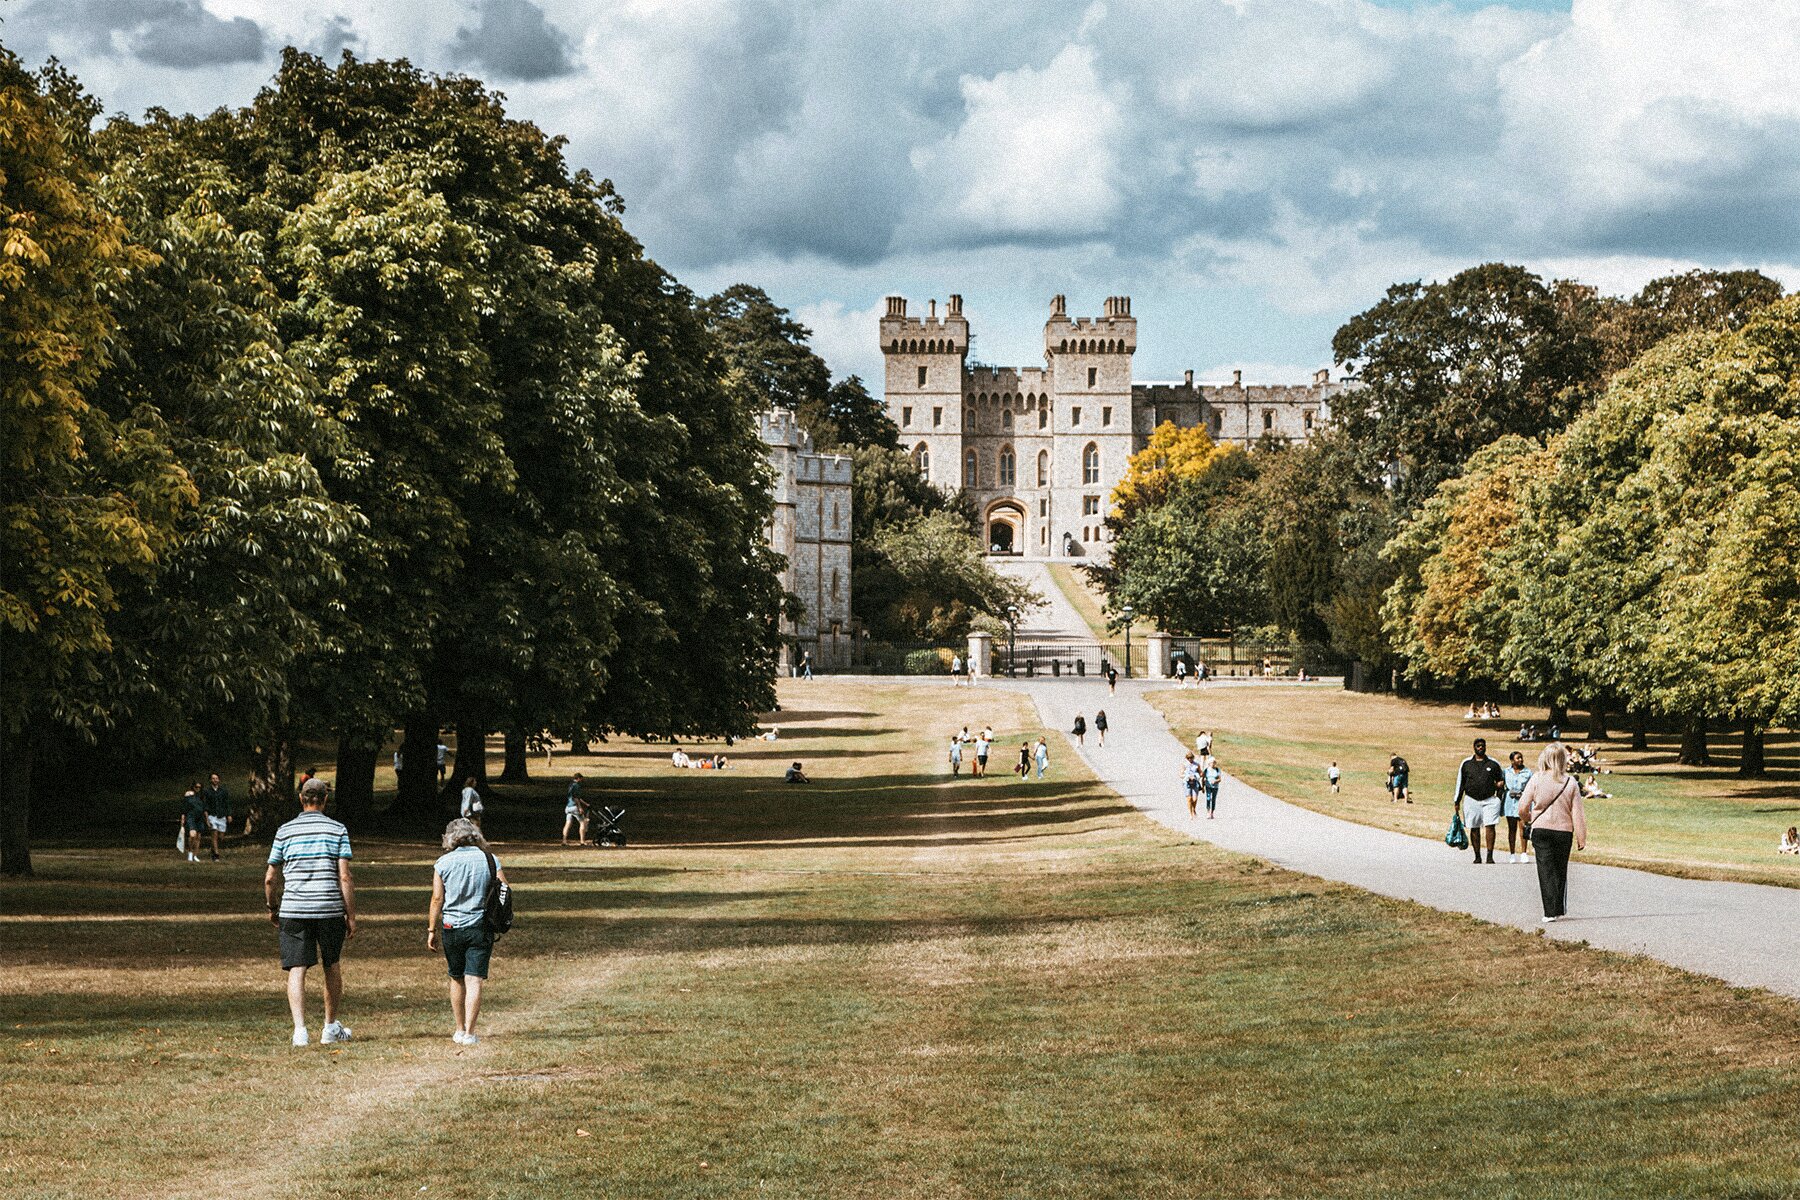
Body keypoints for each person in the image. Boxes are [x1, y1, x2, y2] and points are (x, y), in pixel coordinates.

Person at [265, 778, 355, 1047]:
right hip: (329, 908)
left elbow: (270, 877)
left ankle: (300, 1031)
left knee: (297, 968)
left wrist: (272, 907)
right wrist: (351, 915)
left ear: (301, 799)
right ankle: (329, 1027)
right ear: (325, 799)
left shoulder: (284, 831)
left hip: (294, 908)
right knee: (331, 964)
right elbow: (345, 877)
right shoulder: (338, 829)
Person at [427, 817, 508, 1045]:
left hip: (452, 926)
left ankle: (459, 1028)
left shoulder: (443, 863)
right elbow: (505, 889)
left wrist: (431, 929)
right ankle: (471, 1033)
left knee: (456, 977)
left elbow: (437, 898)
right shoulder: (490, 859)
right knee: (475, 980)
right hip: (480, 926)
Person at [1519, 743, 1586, 922]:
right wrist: (1581, 836)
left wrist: (1528, 819)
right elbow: (1577, 812)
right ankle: (1557, 907)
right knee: (1559, 869)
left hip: (1541, 828)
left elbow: (1522, 807)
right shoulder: (1570, 782)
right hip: (1564, 831)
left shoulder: (1536, 779)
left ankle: (1549, 912)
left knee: (1545, 869)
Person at [1453, 737, 1507, 864]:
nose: (1480, 747)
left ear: (1485, 747)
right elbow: (1460, 783)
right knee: (1474, 826)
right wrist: (1457, 801)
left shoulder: (1493, 764)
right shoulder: (1466, 764)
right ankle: (1477, 855)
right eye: (1478, 745)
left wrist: (1498, 798)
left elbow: (1501, 782)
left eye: (1482, 745)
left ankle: (1489, 855)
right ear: (1474, 747)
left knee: (1490, 826)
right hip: (1472, 799)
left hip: (1490, 800)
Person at [1503, 751, 1534, 863]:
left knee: (1523, 827)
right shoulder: (1506, 771)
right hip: (1510, 802)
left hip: (1522, 801)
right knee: (1512, 828)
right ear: (1512, 761)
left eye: (1521, 758)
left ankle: (1524, 853)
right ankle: (1512, 853)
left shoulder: (1528, 772)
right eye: (1517, 758)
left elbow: (1532, 787)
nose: (1520, 760)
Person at [201, 773, 231, 861]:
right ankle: (216, 855)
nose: (215, 780)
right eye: (213, 778)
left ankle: (213, 849)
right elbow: (205, 805)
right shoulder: (207, 791)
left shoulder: (223, 791)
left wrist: (229, 814)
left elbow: (227, 803)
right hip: (212, 815)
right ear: (210, 780)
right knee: (214, 834)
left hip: (221, 815)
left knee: (220, 837)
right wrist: (206, 818)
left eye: (216, 778)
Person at [180, 781, 206, 863]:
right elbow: (184, 807)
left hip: (200, 817)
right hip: (191, 816)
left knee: (198, 837)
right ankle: (190, 853)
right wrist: (183, 818)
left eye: (199, 787)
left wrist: (206, 819)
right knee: (192, 835)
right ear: (193, 787)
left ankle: (195, 855)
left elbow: (204, 808)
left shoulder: (201, 797)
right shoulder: (189, 796)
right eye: (196, 787)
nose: (198, 789)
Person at [562, 774, 588, 846]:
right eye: (581, 779)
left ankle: (564, 841)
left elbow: (575, 797)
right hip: (574, 807)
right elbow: (576, 798)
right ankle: (582, 841)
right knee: (582, 823)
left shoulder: (570, 785)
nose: (582, 780)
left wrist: (586, 804)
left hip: (568, 807)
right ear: (578, 778)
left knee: (568, 823)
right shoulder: (577, 786)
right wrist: (580, 807)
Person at [1183, 752, 1202, 819]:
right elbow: (1181, 774)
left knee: (1195, 799)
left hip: (1195, 782)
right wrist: (1187, 776)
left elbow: (1200, 772)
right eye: (1188, 758)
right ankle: (1190, 814)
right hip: (1187, 782)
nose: (1190, 759)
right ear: (1187, 758)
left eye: (1191, 758)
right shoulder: (1185, 765)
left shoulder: (1197, 765)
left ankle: (1193, 809)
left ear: (1193, 758)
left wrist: (1198, 775)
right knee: (1189, 799)